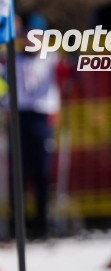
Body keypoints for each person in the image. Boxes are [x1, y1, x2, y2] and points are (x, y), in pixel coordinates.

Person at [3, 13, 65, 241]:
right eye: (28, 35)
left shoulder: (51, 59)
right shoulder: (11, 59)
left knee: (41, 173)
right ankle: (17, 224)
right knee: (17, 174)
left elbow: (69, 75)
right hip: (18, 117)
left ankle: (42, 223)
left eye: (37, 36)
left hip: (42, 117)